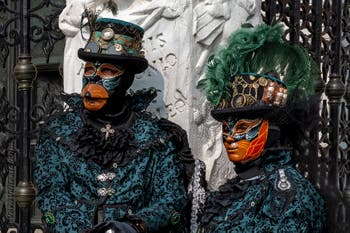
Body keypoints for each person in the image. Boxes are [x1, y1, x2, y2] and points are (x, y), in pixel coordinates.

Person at [34, 17, 193, 233]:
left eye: (107, 71)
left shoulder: (156, 138)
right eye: (89, 70)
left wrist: (133, 226)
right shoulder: (58, 132)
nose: (94, 81)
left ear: (127, 78)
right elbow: (51, 193)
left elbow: (171, 200)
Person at [196, 23, 326, 232]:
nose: (230, 137)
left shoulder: (287, 191)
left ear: (272, 130)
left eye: (243, 127)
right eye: (227, 129)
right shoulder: (243, 183)